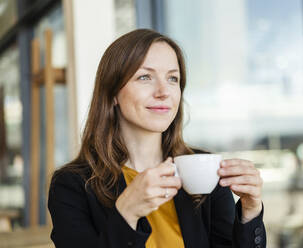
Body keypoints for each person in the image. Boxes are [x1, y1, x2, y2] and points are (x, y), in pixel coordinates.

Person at [48, 29, 266, 248]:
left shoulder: (204, 170)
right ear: (112, 92)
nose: (164, 92)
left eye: (172, 78)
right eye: (145, 77)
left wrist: (250, 211)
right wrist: (127, 213)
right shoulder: (72, 185)